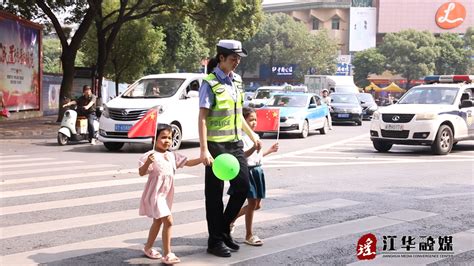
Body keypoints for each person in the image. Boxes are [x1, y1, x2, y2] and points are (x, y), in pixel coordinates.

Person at [198, 39, 261, 257]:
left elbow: (237, 114)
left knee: (242, 187)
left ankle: (222, 231)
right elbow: (203, 118)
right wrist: (204, 149)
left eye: (239, 59)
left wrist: (252, 136)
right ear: (222, 58)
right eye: (233, 58)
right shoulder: (210, 82)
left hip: (234, 144)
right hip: (215, 146)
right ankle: (215, 241)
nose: (237, 62)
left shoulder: (238, 81)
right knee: (214, 196)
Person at [138, 124, 201, 264]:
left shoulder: (172, 156)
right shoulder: (151, 155)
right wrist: (148, 161)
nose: (167, 140)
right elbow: (141, 172)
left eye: (169, 138)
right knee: (168, 221)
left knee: (158, 221)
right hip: (155, 195)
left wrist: (202, 159)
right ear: (155, 138)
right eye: (163, 137)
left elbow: (188, 162)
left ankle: (148, 247)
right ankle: (168, 253)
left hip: (166, 195)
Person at [229, 107, 278, 246]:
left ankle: (229, 220)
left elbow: (258, 156)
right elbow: (242, 156)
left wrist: (270, 150)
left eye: (255, 119)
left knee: (257, 205)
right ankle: (249, 235)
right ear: (243, 121)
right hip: (247, 171)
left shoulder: (255, 136)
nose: (254, 122)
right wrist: (253, 148)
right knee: (251, 204)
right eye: (251, 120)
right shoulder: (240, 138)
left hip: (258, 171)